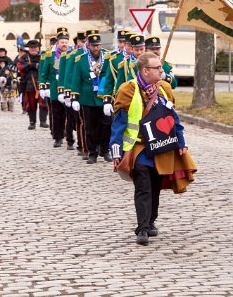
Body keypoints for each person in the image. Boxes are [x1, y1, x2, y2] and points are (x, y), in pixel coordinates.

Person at [110, 52, 197, 245]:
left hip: (161, 146)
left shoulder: (164, 88)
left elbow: (173, 118)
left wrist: (181, 142)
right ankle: (141, 228)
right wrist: (116, 152)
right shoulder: (128, 90)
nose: (161, 70)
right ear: (145, 70)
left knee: (156, 186)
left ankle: (150, 221)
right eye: (158, 68)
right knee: (143, 185)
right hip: (139, 147)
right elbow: (118, 125)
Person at [71, 32, 112, 164]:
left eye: (98, 45)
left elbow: (110, 77)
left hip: (103, 97)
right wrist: (74, 98)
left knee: (106, 124)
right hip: (87, 97)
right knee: (89, 127)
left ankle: (105, 149)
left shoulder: (107, 57)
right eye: (93, 45)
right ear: (88, 45)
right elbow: (76, 79)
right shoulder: (81, 59)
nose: (96, 48)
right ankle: (92, 152)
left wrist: (109, 97)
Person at [39, 27, 72, 148]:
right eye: (62, 42)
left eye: (66, 42)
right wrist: (43, 86)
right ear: (57, 43)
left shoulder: (72, 54)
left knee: (70, 115)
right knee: (57, 115)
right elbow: (44, 72)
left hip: (68, 89)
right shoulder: (50, 55)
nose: (64, 44)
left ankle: (70, 140)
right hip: (54, 89)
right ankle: (58, 138)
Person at [17, 40, 49, 130]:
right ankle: (32, 122)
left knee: (43, 103)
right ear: (29, 48)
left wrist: (40, 65)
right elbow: (20, 66)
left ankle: (43, 121)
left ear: (38, 48)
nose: (33, 49)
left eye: (35, 47)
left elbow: (48, 66)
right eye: (31, 47)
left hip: (42, 83)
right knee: (31, 104)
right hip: (29, 83)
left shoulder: (43, 56)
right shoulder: (24, 57)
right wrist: (33, 65)